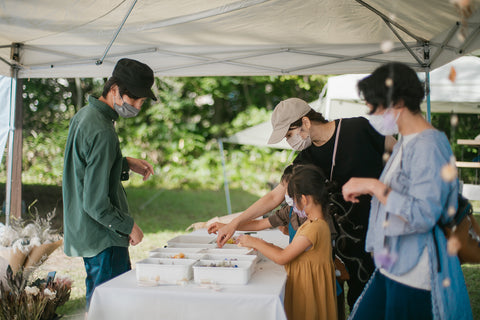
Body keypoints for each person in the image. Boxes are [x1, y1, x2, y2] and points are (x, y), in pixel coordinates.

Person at [211, 97, 395, 309]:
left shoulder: (358, 128)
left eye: (290, 134)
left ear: (306, 122)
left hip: (385, 226)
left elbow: (399, 155)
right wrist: (235, 223)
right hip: (348, 240)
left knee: (391, 294)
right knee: (359, 298)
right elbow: (273, 197)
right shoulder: (306, 158)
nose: (290, 141)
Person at [342, 62, 472, 319]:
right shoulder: (406, 141)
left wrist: (373, 185)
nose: (373, 114)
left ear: (398, 102)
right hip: (393, 265)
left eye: (376, 106)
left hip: (414, 273)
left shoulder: (429, 145)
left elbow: (424, 214)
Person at [62, 58, 156, 310]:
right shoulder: (103, 131)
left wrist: (124, 163)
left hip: (87, 232)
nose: (136, 106)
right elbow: (95, 203)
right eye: (133, 98)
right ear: (114, 89)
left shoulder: (86, 116)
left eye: (142, 101)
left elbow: (84, 168)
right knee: (113, 309)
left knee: (99, 304)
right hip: (104, 235)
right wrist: (129, 226)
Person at [237, 164, 337, 320]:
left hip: (308, 293)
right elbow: (293, 252)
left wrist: (255, 242)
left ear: (303, 199)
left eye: (294, 199)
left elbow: (283, 257)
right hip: (306, 288)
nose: (292, 204)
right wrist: (264, 244)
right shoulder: (314, 223)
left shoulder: (314, 228)